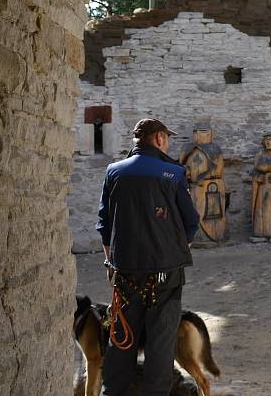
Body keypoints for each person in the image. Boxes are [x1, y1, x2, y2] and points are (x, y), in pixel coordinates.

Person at [96, 118, 199, 395]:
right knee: (160, 347)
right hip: (165, 275)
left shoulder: (114, 172)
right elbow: (191, 222)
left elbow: (104, 225)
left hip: (125, 273)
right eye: (167, 138)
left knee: (120, 343)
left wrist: (110, 263)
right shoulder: (173, 173)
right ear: (159, 139)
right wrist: (172, 250)